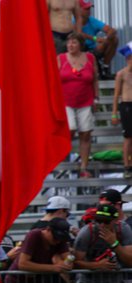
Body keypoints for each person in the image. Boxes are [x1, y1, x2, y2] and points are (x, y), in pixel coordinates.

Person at [58, 33, 98, 177]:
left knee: (85, 133)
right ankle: (62, 160)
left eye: (74, 43)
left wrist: (96, 98)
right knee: (70, 128)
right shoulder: (61, 58)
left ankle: (83, 167)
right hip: (65, 100)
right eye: (69, 43)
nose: (70, 45)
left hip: (85, 100)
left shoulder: (90, 58)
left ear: (80, 44)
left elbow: (94, 79)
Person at [78, 0, 118, 78]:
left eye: (89, 9)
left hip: (93, 50)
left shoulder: (92, 20)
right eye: (86, 9)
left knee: (114, 39)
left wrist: (107, 39)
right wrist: (94, 38)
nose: (89, 11)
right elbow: (78, 33)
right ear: (79, 10)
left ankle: (105, 68)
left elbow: (112, 30)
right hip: (80, 51)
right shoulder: (73, 20)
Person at [112, 43, 132, 179]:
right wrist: (114, 113)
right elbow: (116, 95)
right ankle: (127, 165)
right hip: (126, 106)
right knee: (128, 138)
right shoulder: (122, 74)